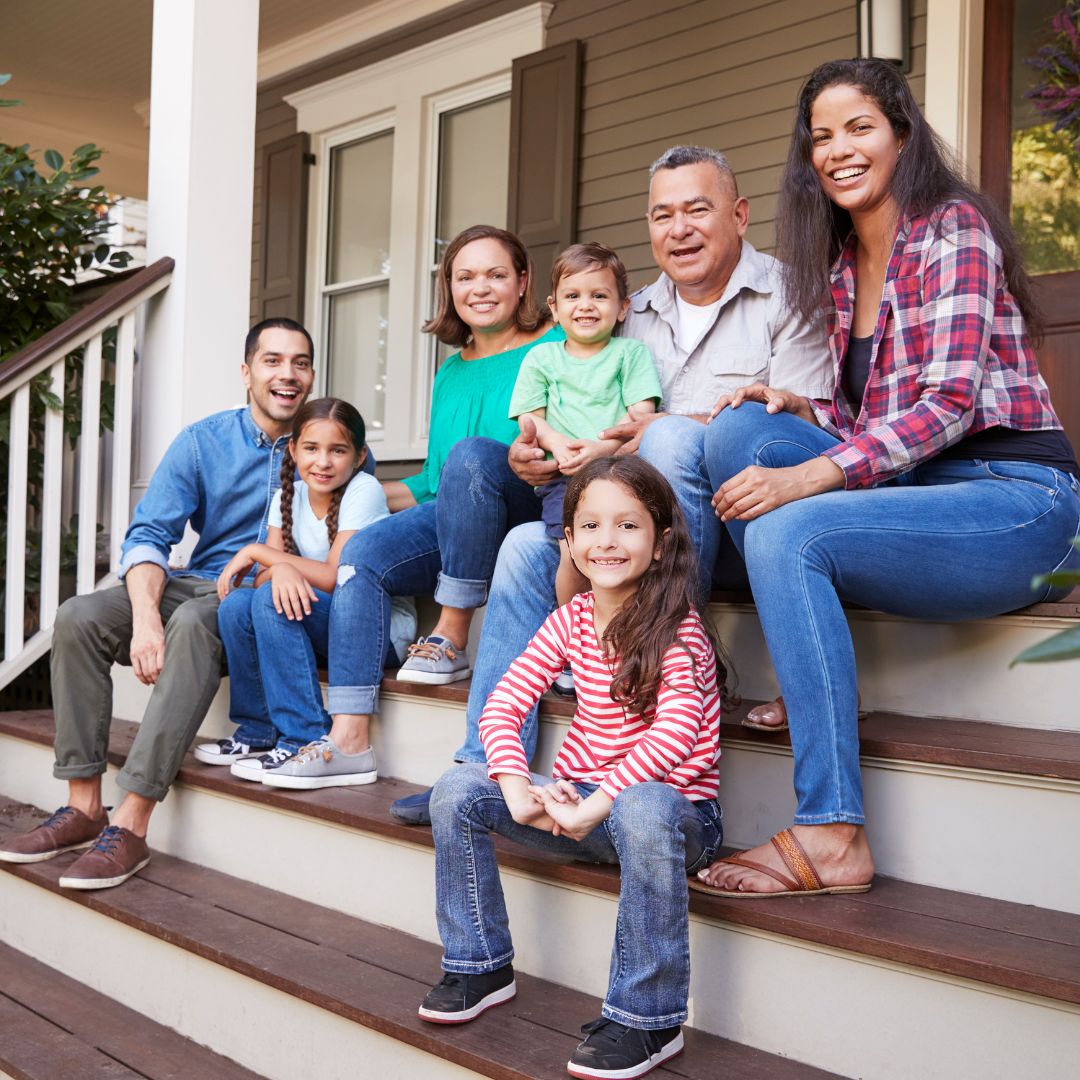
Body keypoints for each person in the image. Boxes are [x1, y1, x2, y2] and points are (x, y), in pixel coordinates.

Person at [693, 58, 1080, 898]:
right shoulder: (837, 267)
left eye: (858, 127)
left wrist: (816, 474)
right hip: (917, 492)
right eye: (820, 136)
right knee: (737, 435)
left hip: (1014, 501)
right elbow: (875, 431)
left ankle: (832, 831)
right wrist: (796, 409)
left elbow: (945, 406)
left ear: (902, 134)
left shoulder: (953, 231)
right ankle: (813, 673)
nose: (837, 149)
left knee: (791, 524)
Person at [391, 144, 832, 825]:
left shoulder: (790, 294)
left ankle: (667, 643)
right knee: (520, 552)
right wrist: (532, 456)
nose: (678, 228)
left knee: (674, 437)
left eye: (697, 209)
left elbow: (800, 422)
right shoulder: (630, 311)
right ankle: (481, 769)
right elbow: (571, 405)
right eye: (662, 214)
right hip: (613, 533)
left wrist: (651, 437)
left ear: (740, 216)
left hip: (737, 526)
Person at [418, 457, 723, 1080]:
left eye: (627, 526)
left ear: (661, 543)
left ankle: (647, 1019)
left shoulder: (679, 630)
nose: (606, 541)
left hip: (669, 818)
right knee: (457, 789)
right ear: (570, 540)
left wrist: (597, 802)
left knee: (642, 805)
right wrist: (515, 784)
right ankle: (479, 965)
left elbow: (673, 736)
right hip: (580, 808)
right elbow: (504, 701)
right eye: (590, 525)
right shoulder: (570, 620)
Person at [0, 318, 316, 888]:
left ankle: (132, 821)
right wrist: (146, 619)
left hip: (253, 600)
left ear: (311, 376)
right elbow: (148, 536)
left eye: (299, 363)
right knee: (80, 615)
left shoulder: (326, 443)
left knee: (196, 619)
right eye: (272, 361)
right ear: (246, 373)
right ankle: (83, 804)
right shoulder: (204, 441)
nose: (286, 374)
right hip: (194, 580)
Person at [265, 225, 560, 789]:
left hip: (531, 504)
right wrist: (331, 495)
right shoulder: (451, 370)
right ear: (448, 288)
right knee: (366, 552)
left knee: (474, 458)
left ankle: (450, 632)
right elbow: (431, 481)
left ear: (523, 283)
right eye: (464, 276)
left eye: (497, 274)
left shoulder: (555, 344)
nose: (481, 288)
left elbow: (486, 461)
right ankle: (349, 737)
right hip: (460, 513)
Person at [205, 398, 414, 786]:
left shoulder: (364, 490)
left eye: (338, 450)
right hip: (326, 622)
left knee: (270, 601)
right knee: (237, 605)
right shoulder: (289, 495)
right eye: (311, 448)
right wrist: (278, 566)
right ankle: (257, 730)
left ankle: (303, 736)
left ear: (359, 455)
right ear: (293, 450)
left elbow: (335, 576)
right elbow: (266, 576)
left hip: (373, 633)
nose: (323, 462)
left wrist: (262, 555)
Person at [509, 241, 662, 608]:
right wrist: (558, 444)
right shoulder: (541, 358)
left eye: (599, 295)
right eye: (573, 295)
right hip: (565, 478)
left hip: (622, 474)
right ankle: (574, 638)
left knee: (626, 559)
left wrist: (602, 449)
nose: (585, 305)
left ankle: (625, 632)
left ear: (623, 307)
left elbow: (640, 413)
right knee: (576, 556)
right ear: (555, 308)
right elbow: (531, 416)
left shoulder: (630, 354)